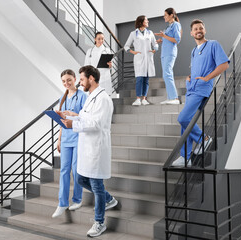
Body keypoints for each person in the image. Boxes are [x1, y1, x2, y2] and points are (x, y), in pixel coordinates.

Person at [58, 65, 118, 237]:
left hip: (97, 148)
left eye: (82, 79)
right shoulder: (92, 96)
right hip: (87, 147)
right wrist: (71, 115)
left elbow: (97, 123)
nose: (80, 82)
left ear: (91, 78)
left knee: (97, 186)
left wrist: (73, 124)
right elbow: (87, 117)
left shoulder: (103, 98)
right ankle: (109, 199)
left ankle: (99, 222)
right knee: (81, 179)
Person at [172, 19, 229, 166]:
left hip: (202, 88)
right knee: (186, 122)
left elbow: (223, 65)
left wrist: (207, 78)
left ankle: (204, 139)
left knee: (183, 118)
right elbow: (196, 68)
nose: (198, 31)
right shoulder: (193, 51)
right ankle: (185, 158)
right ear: (191, 33)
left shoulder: (213, 45)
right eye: (195, 29)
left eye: (201, 28)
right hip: (192, 88)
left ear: (205, 30)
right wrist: (189, 78)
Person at [51, 69, 87, 218]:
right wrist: (59, 139)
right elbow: (61, 121)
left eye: (69, 80)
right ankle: (62, 203)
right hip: (65, 138)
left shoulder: (83, 96)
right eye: (64, 81)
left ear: (75, 79)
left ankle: (77, 199)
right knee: (64, 170)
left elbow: (87, 117)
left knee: (76, 170)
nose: (66, 83)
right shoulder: (63, 98)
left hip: (78, 137)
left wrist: (74, 114)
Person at [124, 15, 159, 105]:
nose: (148, 22)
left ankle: (144, 98)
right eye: (146, 20)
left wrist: (155, 49)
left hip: (148, 58)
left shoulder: (150, 33)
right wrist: (133, 52)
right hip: (139, 59)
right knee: (139, 79)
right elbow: (126, 46)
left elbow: (155, 44)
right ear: (141, 22)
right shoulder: (133, 33)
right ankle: (138, 99)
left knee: (146, 79)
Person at [155, 8, 182, 105]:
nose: (164, 17)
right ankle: (170, 97)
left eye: (165, 15)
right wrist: (161, 39)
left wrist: (164, 36)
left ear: (171, 15)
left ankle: (174, 98)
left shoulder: (176, 25)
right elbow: (168, 39)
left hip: (170, 53)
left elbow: (177, 40)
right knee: (166, 74)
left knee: (167, 74)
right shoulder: (169, 26)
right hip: (164, 53)